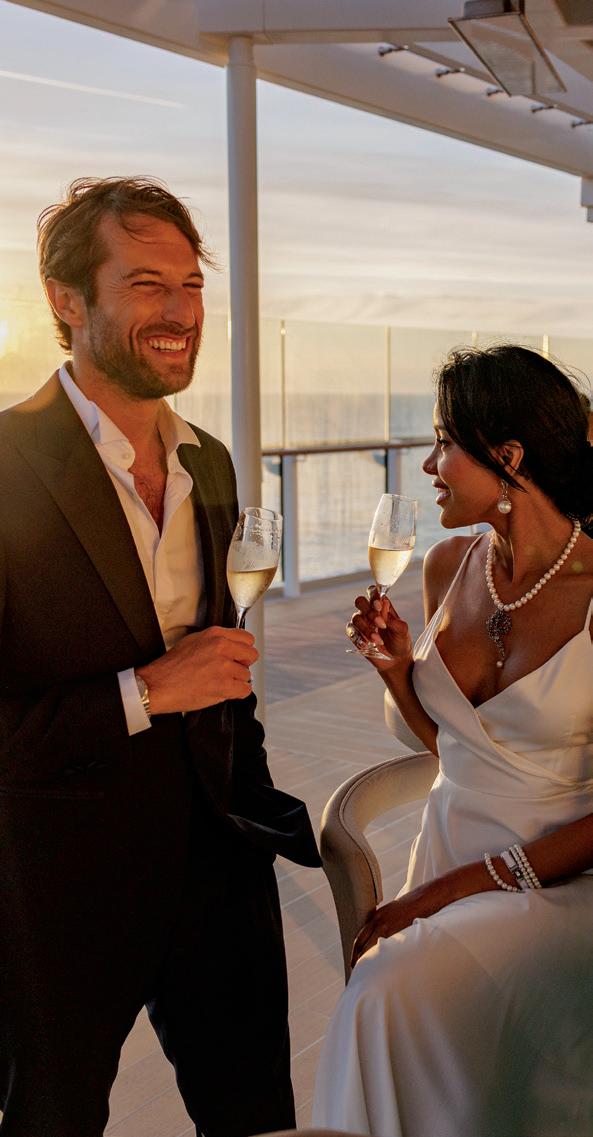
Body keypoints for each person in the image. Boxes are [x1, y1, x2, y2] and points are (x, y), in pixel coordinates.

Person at [0, 176, 321, 1137]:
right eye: (147, 284)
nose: (180, 312)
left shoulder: (209, 460)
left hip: (219, 868)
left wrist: (251, 802)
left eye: (191, 286)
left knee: (257, 1115)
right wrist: (144, 691)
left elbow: (223, 670)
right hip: (58, 892)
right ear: (66, 300)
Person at [313, 345, 593, 1137]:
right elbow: (456, 749)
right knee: (409, 1011)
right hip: (443, 851)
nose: (428, 465)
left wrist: (445, 892)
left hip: (556, 884)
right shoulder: (446, 564)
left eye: (443, 442)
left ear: (508, 456)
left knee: (380, 991)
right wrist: (397, 671)